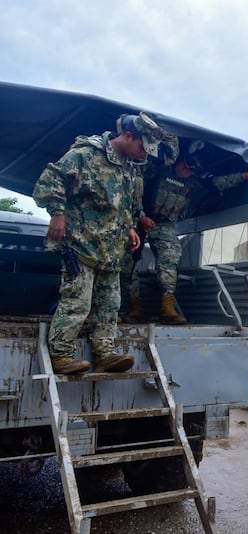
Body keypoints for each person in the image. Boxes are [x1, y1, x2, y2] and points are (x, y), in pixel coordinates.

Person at [32, 112, 170, 374]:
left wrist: (129, 227)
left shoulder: (130, 167)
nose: (144, 155)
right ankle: (62, 356)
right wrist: (58, 214)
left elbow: (124, 203)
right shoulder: (88, 153)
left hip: (110, 250)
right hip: (81, 245)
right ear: (128, 136)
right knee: (77, 302)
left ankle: (105, 353)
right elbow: (51, 180)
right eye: (142, 147)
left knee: (109, 305)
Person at [121, 141, 248, 324]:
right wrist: (141, 216)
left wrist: (243, 176)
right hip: (139, 219)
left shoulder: (194, 183)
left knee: (170, 259)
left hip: (164, 225)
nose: (185, 169)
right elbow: (135, 191)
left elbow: (218, 183)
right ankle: (135, 308)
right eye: (185, 164)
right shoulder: (158, 171)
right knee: (129, 263)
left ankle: (167, 308)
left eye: (191, 168)